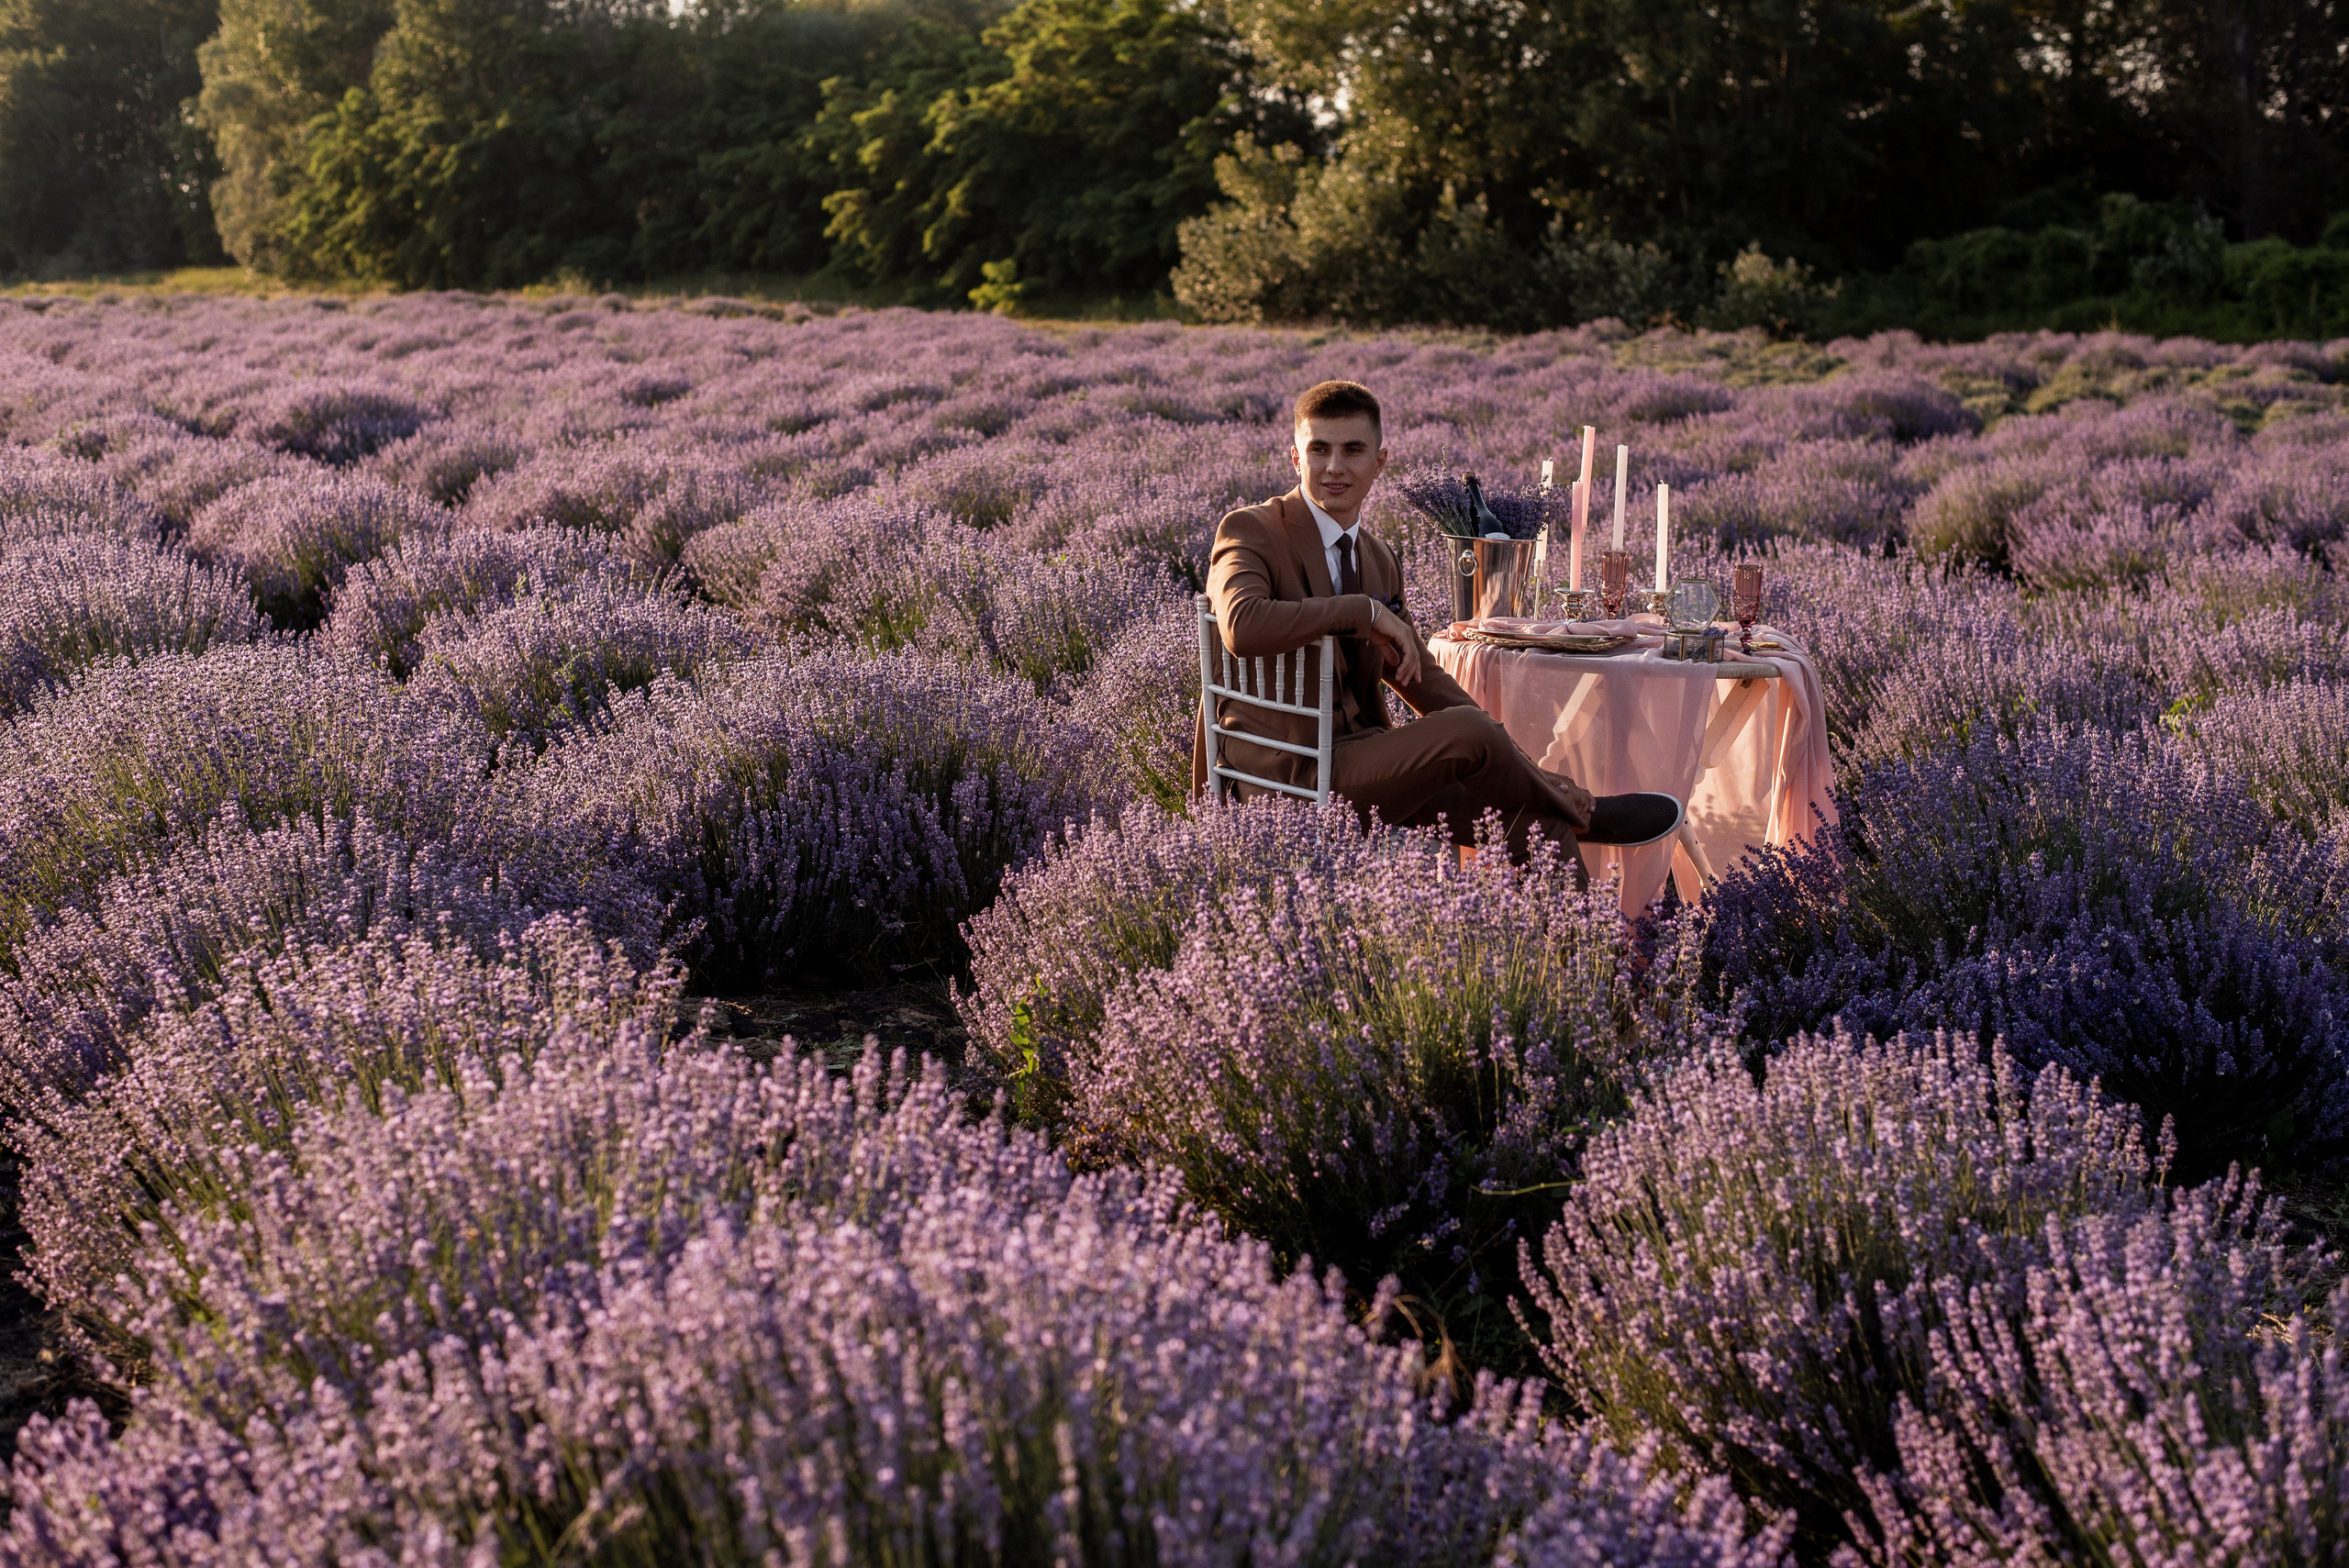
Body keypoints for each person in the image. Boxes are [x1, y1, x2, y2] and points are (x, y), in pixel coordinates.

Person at [1190, 378, 1683, 858]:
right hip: (1284, 777)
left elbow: (1420, 676)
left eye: (1353, 450)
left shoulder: (1379, 557)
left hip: (1360, 760)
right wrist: (1363, 612)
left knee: (1543, 831)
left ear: (1380, 462)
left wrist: (1521, 764)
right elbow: (1241, 625)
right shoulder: (1250, 529)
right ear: (1296, 457)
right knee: (1468, 730)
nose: (1334, 467)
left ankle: (1576, 926)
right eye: (1319, 450)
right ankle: (1590, 814)